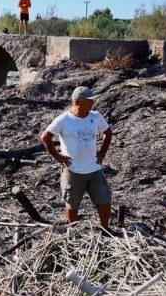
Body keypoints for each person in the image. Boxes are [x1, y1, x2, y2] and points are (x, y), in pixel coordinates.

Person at [40, 86, 113, 230]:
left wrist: (102, 153)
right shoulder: (64, 119)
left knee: (104, 200)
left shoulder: (96, 116)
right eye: (89, 100)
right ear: (77, 102)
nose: (92, 103)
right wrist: (58, 157)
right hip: (73, 170)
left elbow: (108, 133)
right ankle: (73, 230)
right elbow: (45, 137)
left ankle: (105, 229)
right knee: (72, 204)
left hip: (94, 168)